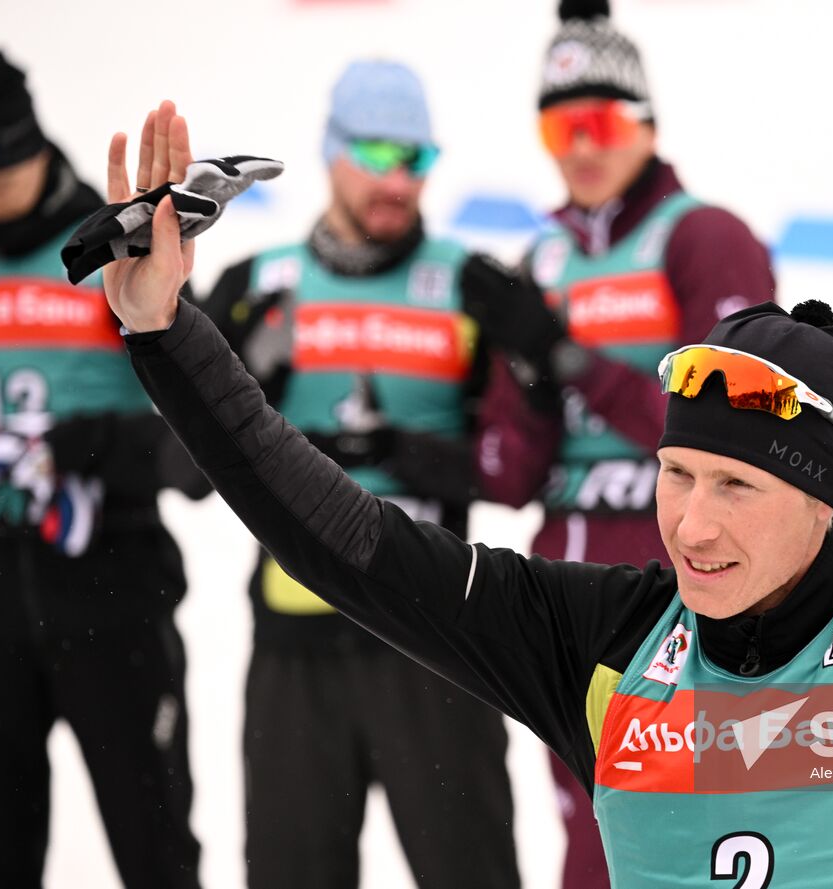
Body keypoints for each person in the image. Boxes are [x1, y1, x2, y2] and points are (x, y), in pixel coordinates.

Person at [94, 11, 833, 886]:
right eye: (678, 475)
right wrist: (162, 332)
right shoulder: (604, 644)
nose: (691, 526)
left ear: (822, 497)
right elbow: (346, 540)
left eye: (737, 487)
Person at [460, 1, 775, 882]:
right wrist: (521, 376)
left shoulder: (703, 236)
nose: (578, 147)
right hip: (568, 576)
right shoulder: (545, 261)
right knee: (590, 831)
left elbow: (736, 433)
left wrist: (565, 355)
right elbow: (515, 474)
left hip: (684, 573)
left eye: (597, 122)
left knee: (693, 824)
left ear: (644, 122)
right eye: (557, 126)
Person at [200, 60, 519, 889]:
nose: (398, 179)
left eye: (417, 158)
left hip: (440, 645)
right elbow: (182, 470)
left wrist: (407, 453)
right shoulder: (261, 288)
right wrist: (249, 388)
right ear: (332, 151)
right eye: (377, 152)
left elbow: (523, 467)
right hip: (297, 651)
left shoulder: (469, 285)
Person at [0, 38, 204, 889]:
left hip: (111, 588)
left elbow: (202, 436)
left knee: (153, 843)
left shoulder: (111, 243)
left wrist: (91, 448)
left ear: (33, 144)